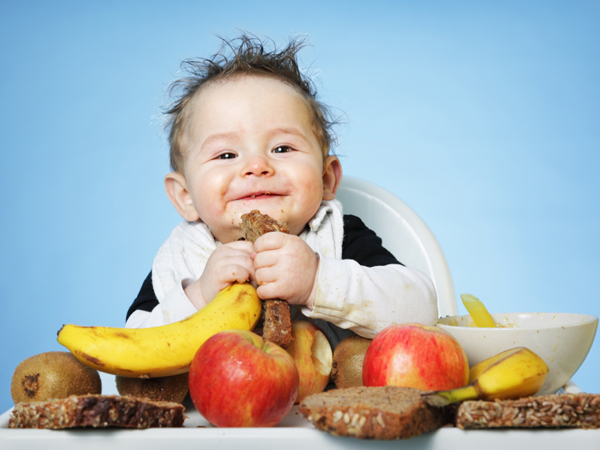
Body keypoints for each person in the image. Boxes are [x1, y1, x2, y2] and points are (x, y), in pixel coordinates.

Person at [125, 35, 438, 348]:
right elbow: (131, 351)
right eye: (226, 155)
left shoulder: (340, 238)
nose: (257, 165)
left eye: (282, 147)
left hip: (334, 396)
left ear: (327, 179)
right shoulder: (182, 257)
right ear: (185, 197)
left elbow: (422, 310)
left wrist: (318, 281)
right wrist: (199, 295)